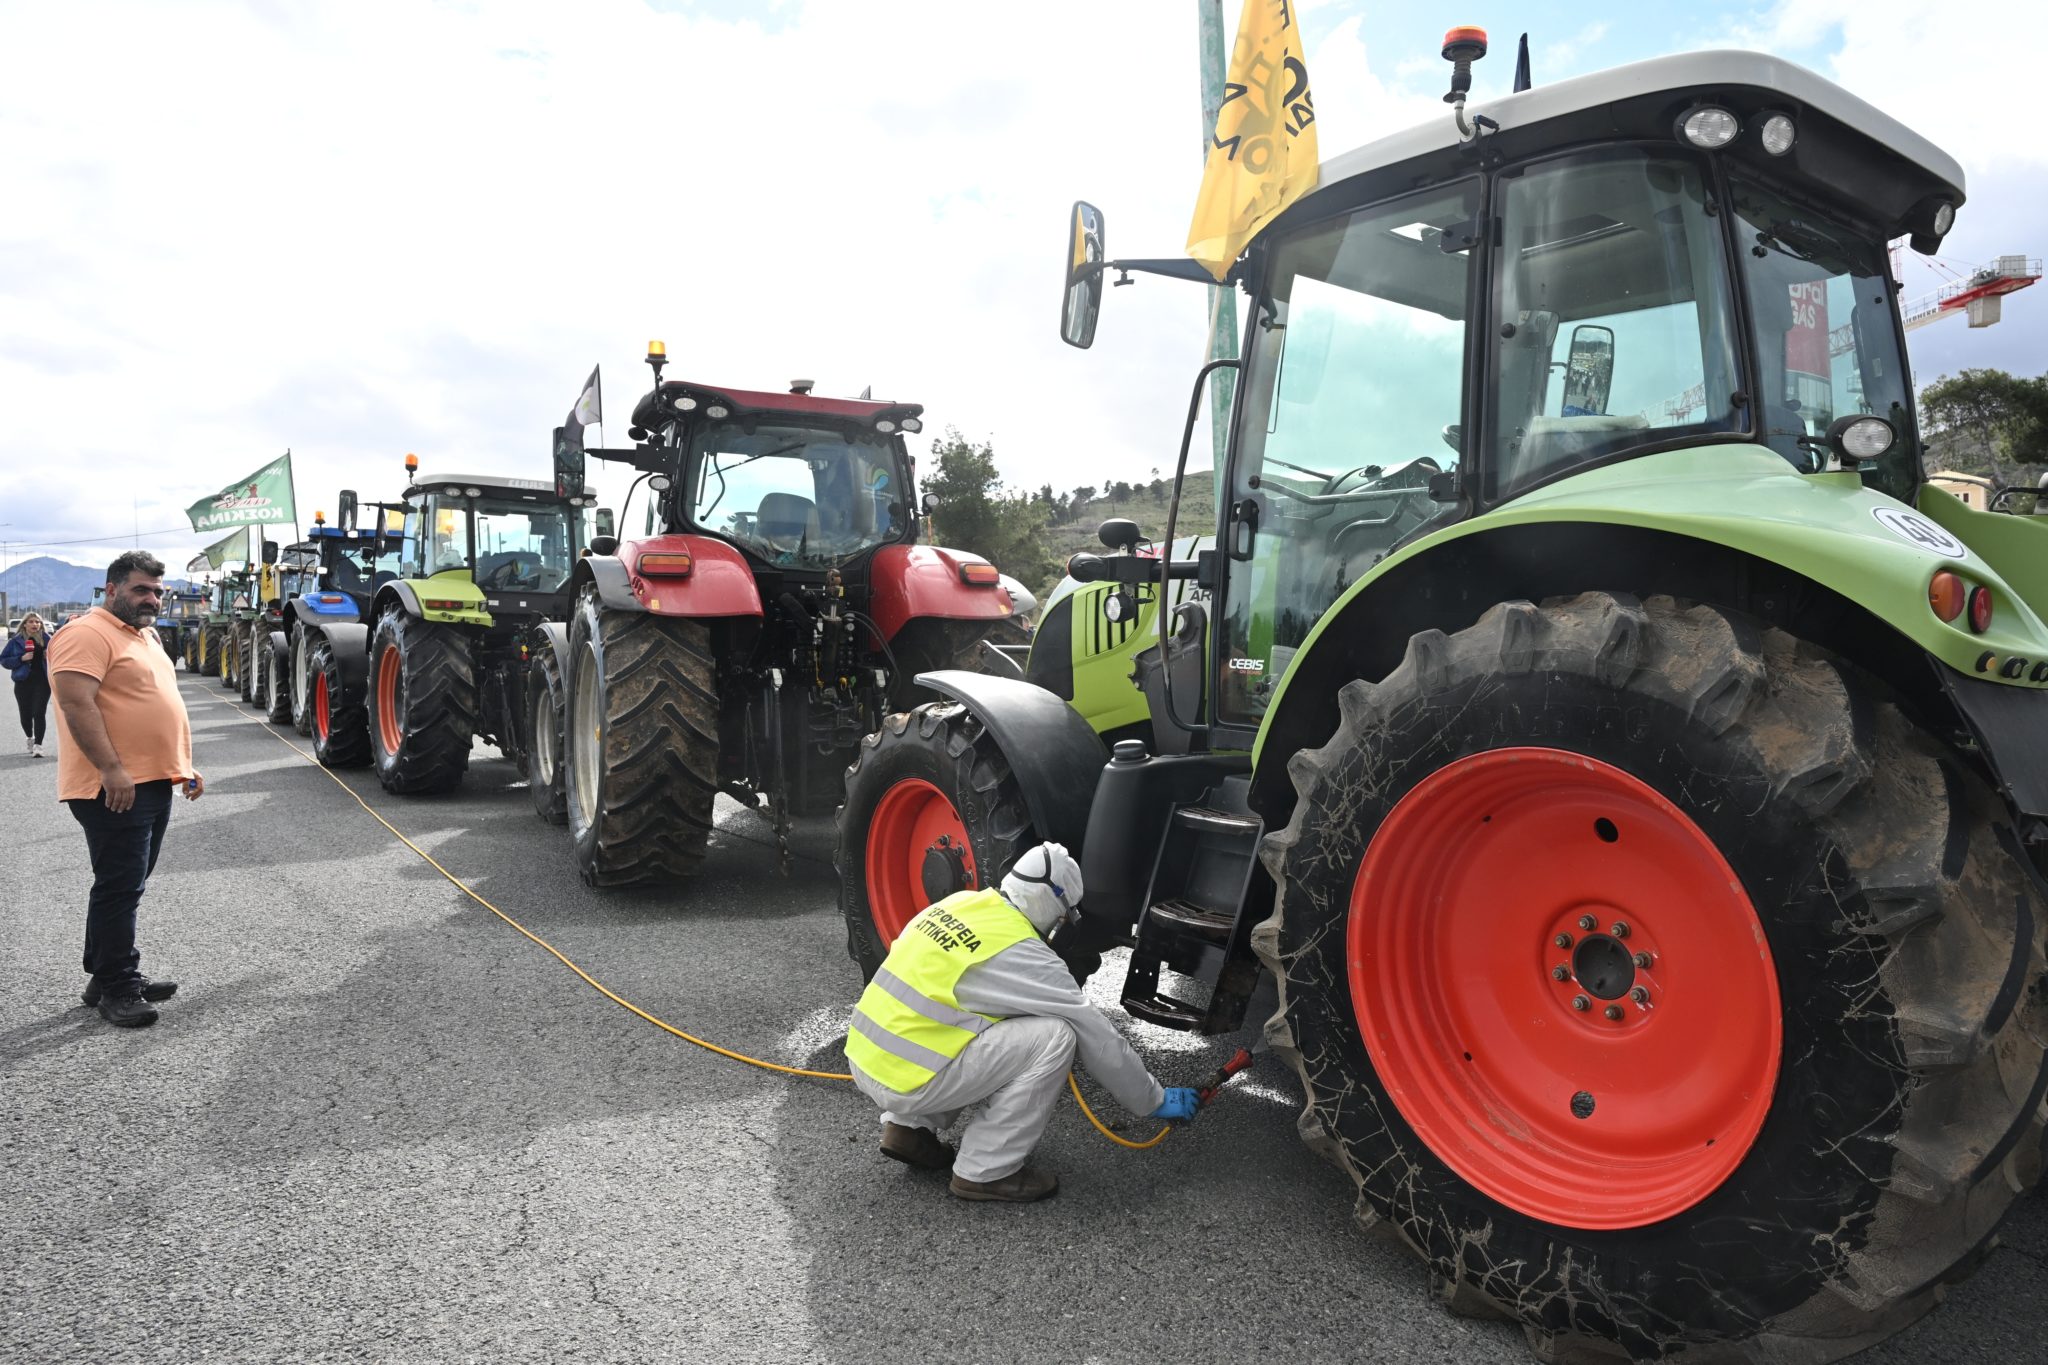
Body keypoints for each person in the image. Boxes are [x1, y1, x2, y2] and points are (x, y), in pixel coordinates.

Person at [844, 842, 1199, 1203]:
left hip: (866, 1058)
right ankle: (985, 1170)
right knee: (1056, 1036)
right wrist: (1154, 1099)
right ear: (1055, 905)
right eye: (1068, 914)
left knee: (969, 1016)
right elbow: (1099, 1038)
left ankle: (907, 1129)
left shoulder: (962, 903)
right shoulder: (1026, 953)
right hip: (909, 1081)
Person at [49, 551, 205, 1029]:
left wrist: (183, 766)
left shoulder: (145, 636)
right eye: (141, 590)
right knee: (119, 885)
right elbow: (77, 704)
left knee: (127, 884)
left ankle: (105, 975)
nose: (152, 599)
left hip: (152, 781)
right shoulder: (85, 633)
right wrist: (111, 769)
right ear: (112, 589)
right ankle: (119, 985)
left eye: (158, 591)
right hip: (113, 784)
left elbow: (155, 705)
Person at [2, 612, 52, 756]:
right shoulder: (15, 641)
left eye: (37, 622)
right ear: (25, 624)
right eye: (31, 622)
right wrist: (21, 658)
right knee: (25, 714)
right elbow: (4, 660)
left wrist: (49, 656)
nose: (35, 624)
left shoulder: (48, 639)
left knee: (39, 713)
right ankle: (30, 737)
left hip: (42, 682)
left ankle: (38, 746)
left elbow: (60, 655)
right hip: (23, 681)